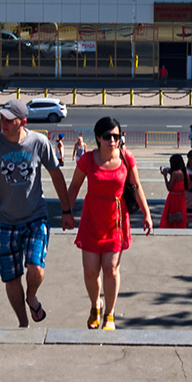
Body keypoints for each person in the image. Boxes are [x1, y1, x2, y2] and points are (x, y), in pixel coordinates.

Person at [0, 100, 74, 328]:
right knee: (11, 278)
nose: (3, 123)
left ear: (22, 122)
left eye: (9, 119)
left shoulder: (39, 143)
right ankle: (23, 323)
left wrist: (66, 211)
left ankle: (31, 296)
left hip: (35, 218)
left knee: (35, 267)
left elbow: (56, 175)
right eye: (1, 119)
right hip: (4, 222)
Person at [63, 116, 151, 329]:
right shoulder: (88, 160)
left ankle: (109, 315)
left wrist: (147, 214)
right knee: (90, 271)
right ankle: (96, 306)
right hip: (92, 218)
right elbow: (74, 186)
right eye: (107, 136)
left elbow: (136, 186)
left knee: (110, 268)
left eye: (116, 136)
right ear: (98, 138)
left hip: (116, 220)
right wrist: (66, 211)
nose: (112, 140)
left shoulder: (126, 158)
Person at [160, 153, 189, 230]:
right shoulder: (184, 172)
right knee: (180, 215)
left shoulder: (175, 173)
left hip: (174, 198)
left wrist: (165, 177)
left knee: (172, 217)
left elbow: (169, 187)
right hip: (181, 197)